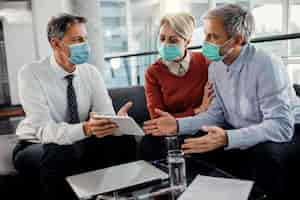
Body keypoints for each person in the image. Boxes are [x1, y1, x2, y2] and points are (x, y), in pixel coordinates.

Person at [144, 4, 300, 198]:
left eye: (213, 37)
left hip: (288, 130)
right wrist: (176, 125)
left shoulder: (267, 64)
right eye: (206, 35)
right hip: (243, 129)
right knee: (196, 147)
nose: (205, 43)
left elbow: (281, 126)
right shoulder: (216, 67)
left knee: (265, 156)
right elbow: (215, 114)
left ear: (237, 40)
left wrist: (227, 138)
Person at [13, 13, 136, 200]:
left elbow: (104, 115)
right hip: (38, 142)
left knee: (122, 141)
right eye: (77, 40)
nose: (85, 46)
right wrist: (85, 129)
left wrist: (115, 123)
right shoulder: (31, 73)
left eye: (85, 39)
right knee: (60, 151)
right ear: (55, 43)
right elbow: (44, 130)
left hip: (82, 136)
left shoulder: (91, 72)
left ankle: (117, 196)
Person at [140, 13, 213, 161]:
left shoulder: (205, 62)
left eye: (173, 40)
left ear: (187, 42)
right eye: (162, 38)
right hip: (168, 132)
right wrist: (198, 110)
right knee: (149, 142)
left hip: (200, 126)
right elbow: (158, 119)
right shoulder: (153, 72)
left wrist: (179, 118)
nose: (165, 44)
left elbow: (214, 108)